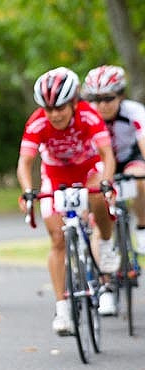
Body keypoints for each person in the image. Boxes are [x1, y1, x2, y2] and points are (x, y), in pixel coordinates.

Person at [16, 66, 120, 335]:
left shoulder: (89, 115)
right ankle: (62, 309)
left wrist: (107, 180)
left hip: (88, 170)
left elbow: (107, 155)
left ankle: (106, 244)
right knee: (57, 240)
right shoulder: (37, 122)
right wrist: (28, 191)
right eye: (49, 109)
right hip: (55, 175)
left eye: (60, 107)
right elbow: (25, 163)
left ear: (74, 102)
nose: (54, 114)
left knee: (98, 193)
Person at [82, 64, 145, 316]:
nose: (102, 105)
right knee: (100, 222)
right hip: (99, 165)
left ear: (120, 95)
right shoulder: (86, 116)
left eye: (108, 98)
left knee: (139, 177)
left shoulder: (134, 112)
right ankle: (106, 287)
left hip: (129, 159)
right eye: (96, 99)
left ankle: (142, 227)